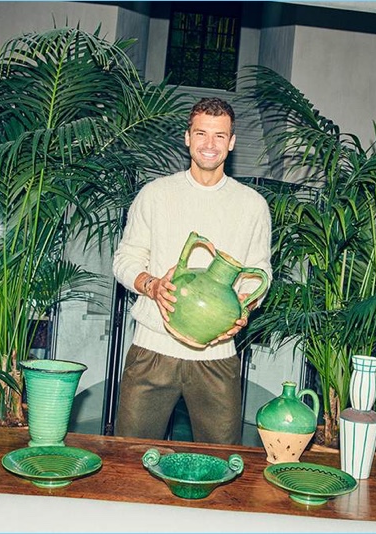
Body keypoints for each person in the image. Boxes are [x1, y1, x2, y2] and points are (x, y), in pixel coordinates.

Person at [111, 97, 272, 444]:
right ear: (187, 138)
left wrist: (245, 307)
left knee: (219, 464)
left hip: (218, 357)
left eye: (219, 136)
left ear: (231, 142)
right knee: (129, 459)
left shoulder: (252, 205)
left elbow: (260, 272)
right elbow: (125, 260)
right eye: (201, 133)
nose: (209, 145)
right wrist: (152, 285)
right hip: (152, 351)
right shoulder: (155, 195)